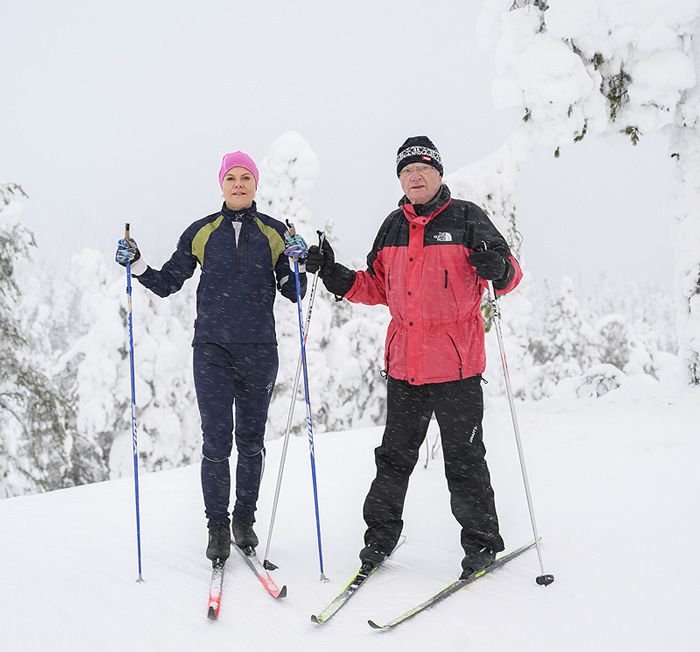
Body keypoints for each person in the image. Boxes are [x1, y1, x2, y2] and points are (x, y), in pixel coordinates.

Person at [306, 136, 523, 578]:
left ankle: (481, 544)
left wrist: (498, 270)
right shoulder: (392, 227)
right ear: (400, 180)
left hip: (457, 369)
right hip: (405, 368)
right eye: (407, 171)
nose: (416, 176)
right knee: (393, 458)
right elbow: (376, 287)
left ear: (439, 174)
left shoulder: (466, 218)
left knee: (464, 459)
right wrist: (334, 273)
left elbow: (510, 272)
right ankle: (380, 539)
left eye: (424, 168)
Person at [115, 151, 308, 563]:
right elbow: (168, 282)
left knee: (251, 443)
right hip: (212, 351)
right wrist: (137, 266)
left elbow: (293, 292)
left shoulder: (274, 232)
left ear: (256, 185)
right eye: (231, 178)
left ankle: (244, 520)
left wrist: (297, 263)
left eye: (246, 178)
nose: (239, 184)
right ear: (221, 184)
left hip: (259, 350)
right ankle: (217, 527)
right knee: (217, 442)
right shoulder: (202, 231)